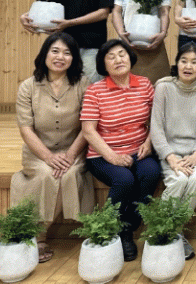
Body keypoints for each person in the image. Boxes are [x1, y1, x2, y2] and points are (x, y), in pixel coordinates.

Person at [10, 32, 94, 263]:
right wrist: (48, 157)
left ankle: (36, 234)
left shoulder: (83, 84)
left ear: (74, 58)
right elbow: (26, 129)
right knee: (47, 174)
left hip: (73, 150)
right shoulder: (28, 86)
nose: (60, 57)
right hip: (39, 152)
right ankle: (38, 237)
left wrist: (69, 155)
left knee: (68, 174)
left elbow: (87, 126)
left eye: (67, 53)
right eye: (55, 51)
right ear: (45, 54)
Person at [81, 39, 161, 262]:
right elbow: (88, 130)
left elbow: (157, 118)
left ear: (130, 58)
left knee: (151, 172)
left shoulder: (144, 84)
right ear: (103, 64)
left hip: (139, 150)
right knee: (124, 180)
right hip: (103, 155)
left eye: (122, 54)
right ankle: (108, 228)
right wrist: (113, 157)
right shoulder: (95, 91)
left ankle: (127, 228)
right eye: (111, 57)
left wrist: (149, 142)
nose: (118, 60)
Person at [150, 42, 196, 260]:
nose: (188, 66)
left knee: (195, 181)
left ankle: (174, 233)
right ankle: (165, 231)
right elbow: (156, 127)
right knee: (178, 181)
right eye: (184, 61)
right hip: (170, 152)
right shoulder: (163, 87)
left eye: (194, 62)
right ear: (176, 63)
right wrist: (170, 157)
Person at [112, 0, 171, 84]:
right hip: (128, 43)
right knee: (127, 85)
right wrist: (120, 33)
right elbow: (116, 11)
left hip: (154, 44)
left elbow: (164, 12)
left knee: (157, 85)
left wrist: (163, 33)